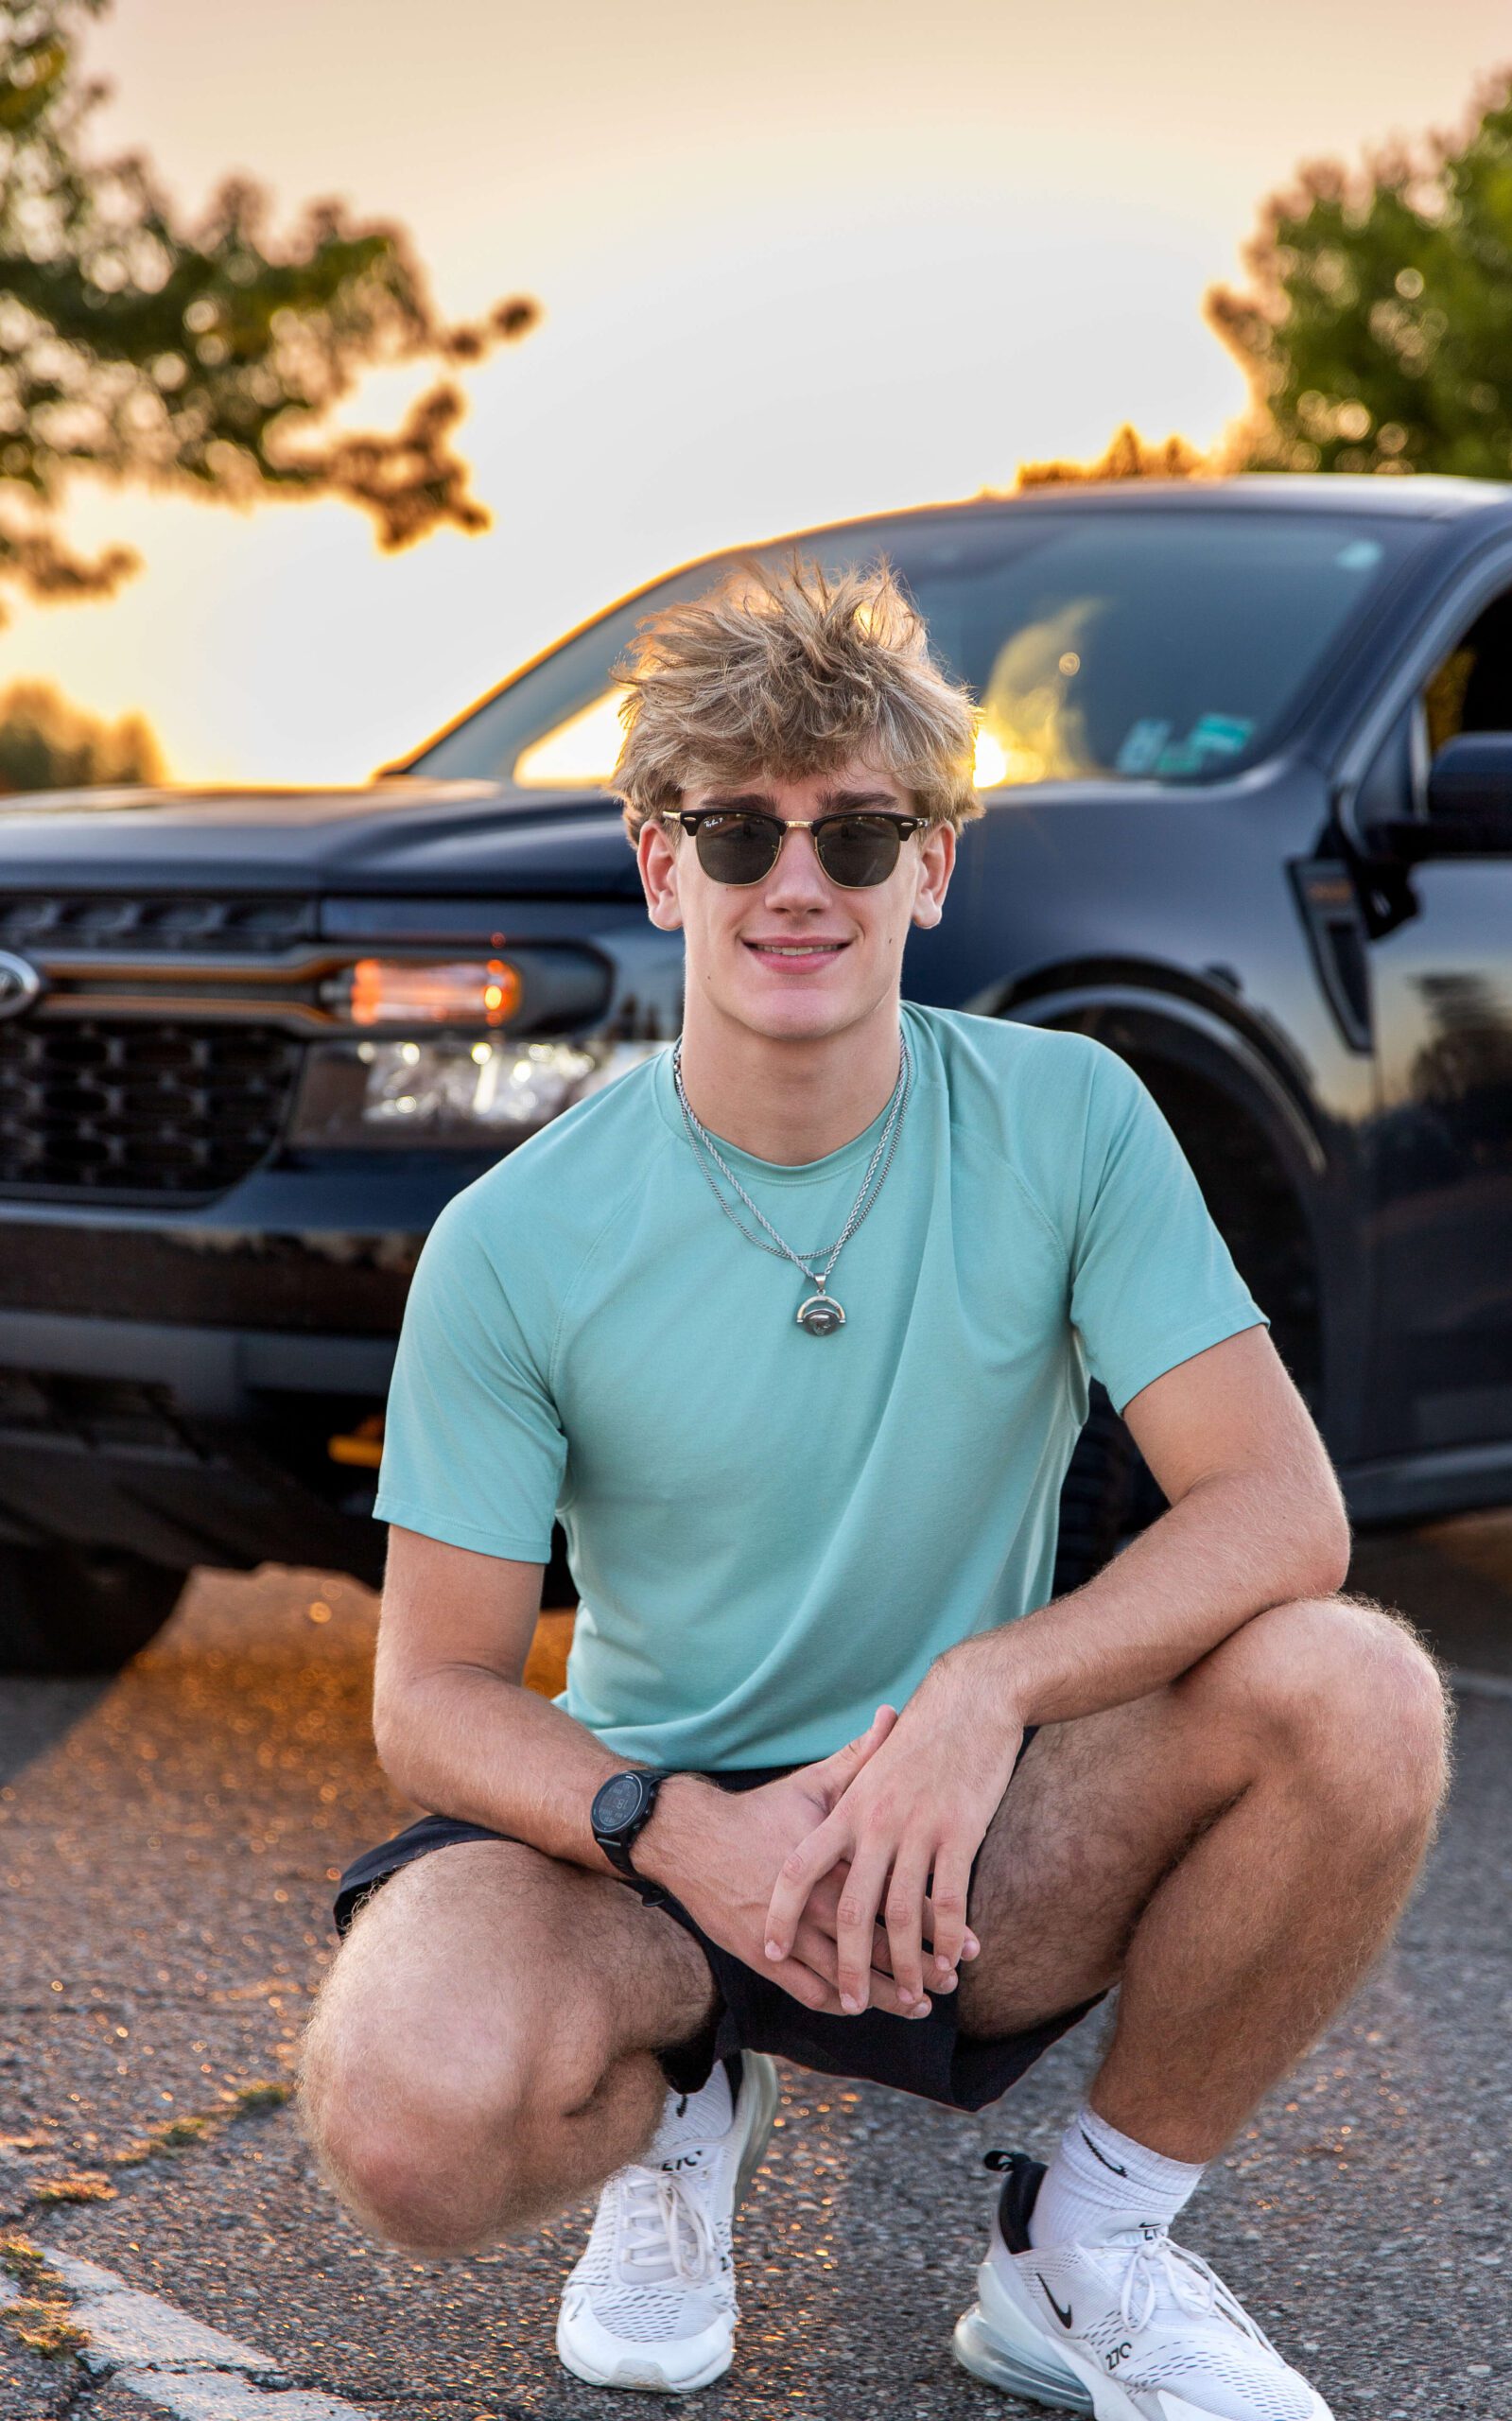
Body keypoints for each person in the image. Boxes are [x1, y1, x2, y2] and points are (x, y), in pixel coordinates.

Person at [297, 556, 1450, 2421]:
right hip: (651, 1844)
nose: (797, 883)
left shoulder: (1067, 1115)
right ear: (660, 864)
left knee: (1357, 1690)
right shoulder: (513, 1239)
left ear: (931, 863)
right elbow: (425, 1694)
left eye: (857, 831)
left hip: (957, 1845)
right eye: (737, 831)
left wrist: (982, 1692)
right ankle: (680, 2097)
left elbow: (1272, 1512)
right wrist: (661, 1824)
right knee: (404, 2122)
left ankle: (1082, 2246)